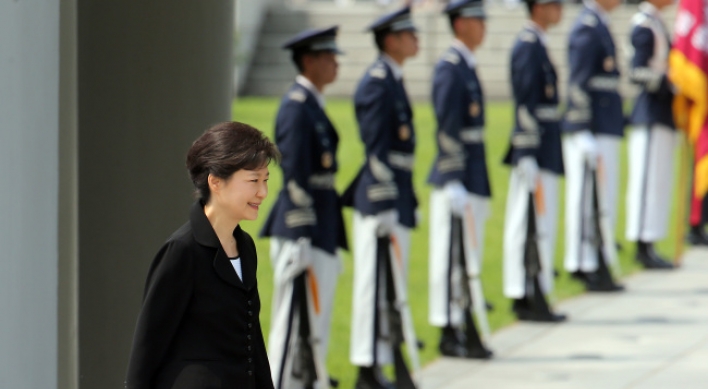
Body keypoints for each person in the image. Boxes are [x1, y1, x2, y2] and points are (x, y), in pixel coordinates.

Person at [125, 122, 279, 389]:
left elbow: (252, 338)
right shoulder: (182, 251)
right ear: (216, 182)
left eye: (265, 180)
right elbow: (148, 346)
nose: (262, 192)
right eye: (253, 180)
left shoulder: (246, 248)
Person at [259, 26, 348, 389]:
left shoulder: (310, 104)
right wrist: (300, 234)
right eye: (328, 58)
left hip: (320, 225)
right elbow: (294, 173)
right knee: (292, 325)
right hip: (304, 229)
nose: (335, 65)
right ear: (308, 61)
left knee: (314, 321)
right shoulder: (297, 107)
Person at [342, 6, 420, 389]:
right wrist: (386, 199)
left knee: (390, 286)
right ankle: (366, 367)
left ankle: (379, 362)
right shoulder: (377, 82)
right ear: (391, 40)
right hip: (380, 199)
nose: (416, 38)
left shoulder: (392, 78)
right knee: (372, 285)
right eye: (409, 33)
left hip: (395, 196)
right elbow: (376, 151)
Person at [426, 0, 493, 359]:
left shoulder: (466, 65)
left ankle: (463, 320)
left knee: (468, 255)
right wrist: (452, 176)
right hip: (459, 177)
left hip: (473, 174)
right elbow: (447, 126)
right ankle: (450, 329)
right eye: (478, 20)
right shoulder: (451, 68)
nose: (484, 26)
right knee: (451, 257)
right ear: (462, 24)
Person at [502, 0, 567, 321]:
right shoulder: (528, 46)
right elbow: (525, 102)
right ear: (538, 7)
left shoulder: (538, 44)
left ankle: (535, 287)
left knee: (541, 223)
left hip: (545, 145)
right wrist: (526, 151)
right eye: (554, 3)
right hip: (535, 149)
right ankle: (523, 291)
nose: (560, 9)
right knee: (526, 223)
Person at [562, 0, 624, 291]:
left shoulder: (599, 25)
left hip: (605, 124)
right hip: (592, 127)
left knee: (603, 197)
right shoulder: (587, 28)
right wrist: (580, 127)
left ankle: (597, 256)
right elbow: (579, 81)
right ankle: (583, 262)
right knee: (586, 197)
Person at [625, 0, 677, 269]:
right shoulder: (644, 25)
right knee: (645, 183)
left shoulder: (655, 22)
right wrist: (668, 82)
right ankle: (642, 243)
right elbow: (636, 71)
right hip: (648, 111)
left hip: (662, 112)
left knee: (658, 182)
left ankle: (651, 239)